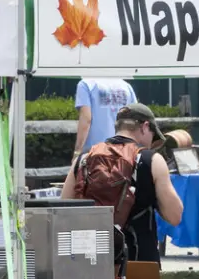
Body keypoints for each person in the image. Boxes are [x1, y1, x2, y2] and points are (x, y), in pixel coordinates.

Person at [60, 103, 184, 263]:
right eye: (153, 136)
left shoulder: (84, 159)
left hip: (90, 260)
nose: (151, 143)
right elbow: (175, 216)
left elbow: (63, 212)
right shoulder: (151, 160)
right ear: (145, 127)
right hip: (139, 261)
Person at [72, 77, 135, 159]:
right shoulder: (126, 86)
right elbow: (134, 118)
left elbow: (86, 119)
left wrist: (77, 152)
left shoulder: (86, 84)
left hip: (95, 153)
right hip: (122, 152)